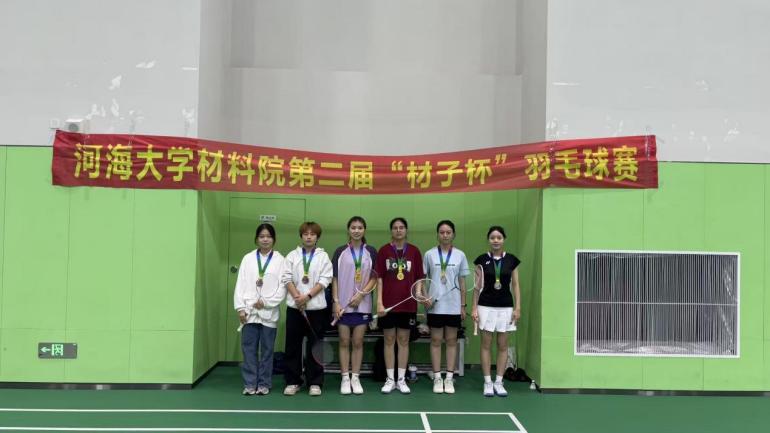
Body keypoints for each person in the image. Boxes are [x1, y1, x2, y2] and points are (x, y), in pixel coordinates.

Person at [281, 222, 333, 396]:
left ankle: (315, 382)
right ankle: (293, 381)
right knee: (292, 346)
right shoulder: (292, 255)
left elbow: (325, 280)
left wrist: (308, 297)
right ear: (301, 236)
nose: (309, 237)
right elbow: (286, 278)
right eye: (305, 234)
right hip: (295, 308)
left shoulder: (323, 257)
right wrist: (298, 298)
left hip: (316, 310)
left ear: (317, 237)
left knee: (316, 346)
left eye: (312, 234)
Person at [234, 223, 286, 396]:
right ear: (256, 239)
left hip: (269, 313)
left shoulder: (280, 260)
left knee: (267, 350)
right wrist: (241, 308)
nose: (265, 239)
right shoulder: (248, 258)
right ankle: (250, 383)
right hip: (249, 312)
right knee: (248, 348)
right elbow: (240, 285)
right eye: (262, 236)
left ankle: (264, 383)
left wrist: (266, 303)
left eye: (268, 236)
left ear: (274, 239)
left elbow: (282, 288)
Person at [375, 217, 425, 394]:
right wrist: (379, 302)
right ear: (391, 231)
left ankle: (401, 379)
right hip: (388, 305)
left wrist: (417, 292)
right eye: (395, 227)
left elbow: (419, 277)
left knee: (403, 341)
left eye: (401, 227)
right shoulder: (383, 251)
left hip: (408, 304)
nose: (398, 230)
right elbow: (379, 278)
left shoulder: (414, 251)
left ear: (406, 230)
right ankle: (390, 379)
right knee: (388, 340)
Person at [472, 225, 521, 397]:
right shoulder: (481, 260)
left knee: (503, 345)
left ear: (504, 239)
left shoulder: (512, 260)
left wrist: (518, 307)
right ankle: (487, 382)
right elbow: (477, 287)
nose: (496, 240)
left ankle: (499, 382)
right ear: (488, 240)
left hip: (506, 307)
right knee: (486, 344)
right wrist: (474, 308)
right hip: (485, 306)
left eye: (499, 237)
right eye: (492, 237)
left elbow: (516, 285)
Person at [331, 216, 378, 395]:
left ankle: (355, 378)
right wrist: (336, 302)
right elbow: (335, 279)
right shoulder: (340, 251)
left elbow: (374, 277)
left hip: (363, 304)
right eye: (353, 227)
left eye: (360, 227)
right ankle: (345, 378)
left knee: (358, 342)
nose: (356, 230)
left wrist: (361, 294)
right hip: (343, 305)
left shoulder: (371, 251)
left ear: (364, 230)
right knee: (344, 341)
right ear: (348, 230)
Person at [422, 220, 469, 394]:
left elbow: (462, 282)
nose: (445, 235)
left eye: (448, 232)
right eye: (442, 232)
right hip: (435, 306)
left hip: (453, 306)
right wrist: (425, 296)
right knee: (435, 341)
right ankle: (437, 377)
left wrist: (463, 306)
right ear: (437, 235)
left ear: (453, 234)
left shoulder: (460, 255)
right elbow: (423, 279)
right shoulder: (429, 254)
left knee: (451, 341)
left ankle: (449, 378)